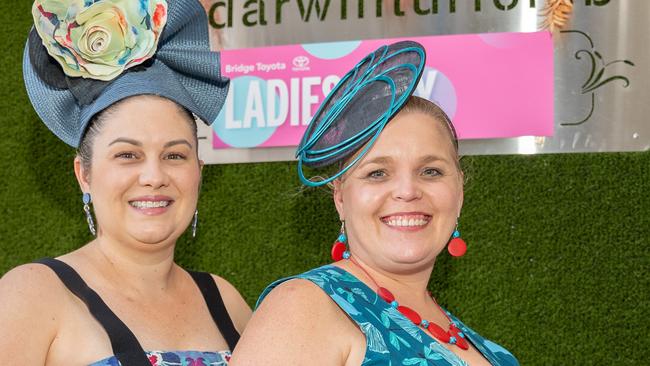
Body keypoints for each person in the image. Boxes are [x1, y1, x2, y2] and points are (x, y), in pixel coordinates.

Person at [230, 42, 519, 365]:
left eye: (431, 171)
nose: (407, 191)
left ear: (459, 191)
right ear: (340, 196)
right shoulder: (304, 306)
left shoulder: (478, 345)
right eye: (378, 173)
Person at [0, 0, 251, 365]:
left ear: (199, 171)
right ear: (83, 174)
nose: (154, 177)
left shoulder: (225, 301)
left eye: (174, 155)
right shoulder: (32, 294)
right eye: (127, 155)